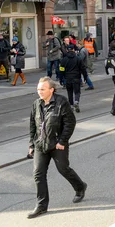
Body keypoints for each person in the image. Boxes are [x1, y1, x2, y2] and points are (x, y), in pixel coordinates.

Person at [27, 77, 87, 219]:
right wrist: (31, 144)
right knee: (38, 174)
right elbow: (32, 125)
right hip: (40, 144)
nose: (39, 92)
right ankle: (41, 206)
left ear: (51, 90)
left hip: (57, 144)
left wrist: (62, 141)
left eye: (42, 89)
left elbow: (70, 123)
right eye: (38, 89)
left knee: (63, 169)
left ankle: (80, 187)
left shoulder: (61, 102)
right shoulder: (36, 104)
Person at [59, 44, 87, 113]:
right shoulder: (78, 59)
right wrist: (85, 77)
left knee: (69, 92)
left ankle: (71, 105)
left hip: (68, 78)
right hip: (76, 78)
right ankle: (76, 101)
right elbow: (83, 68)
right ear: (74, 50)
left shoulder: (64, 60)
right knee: (77, 92)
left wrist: (61, 79)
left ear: (67, 50)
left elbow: (61, 70)